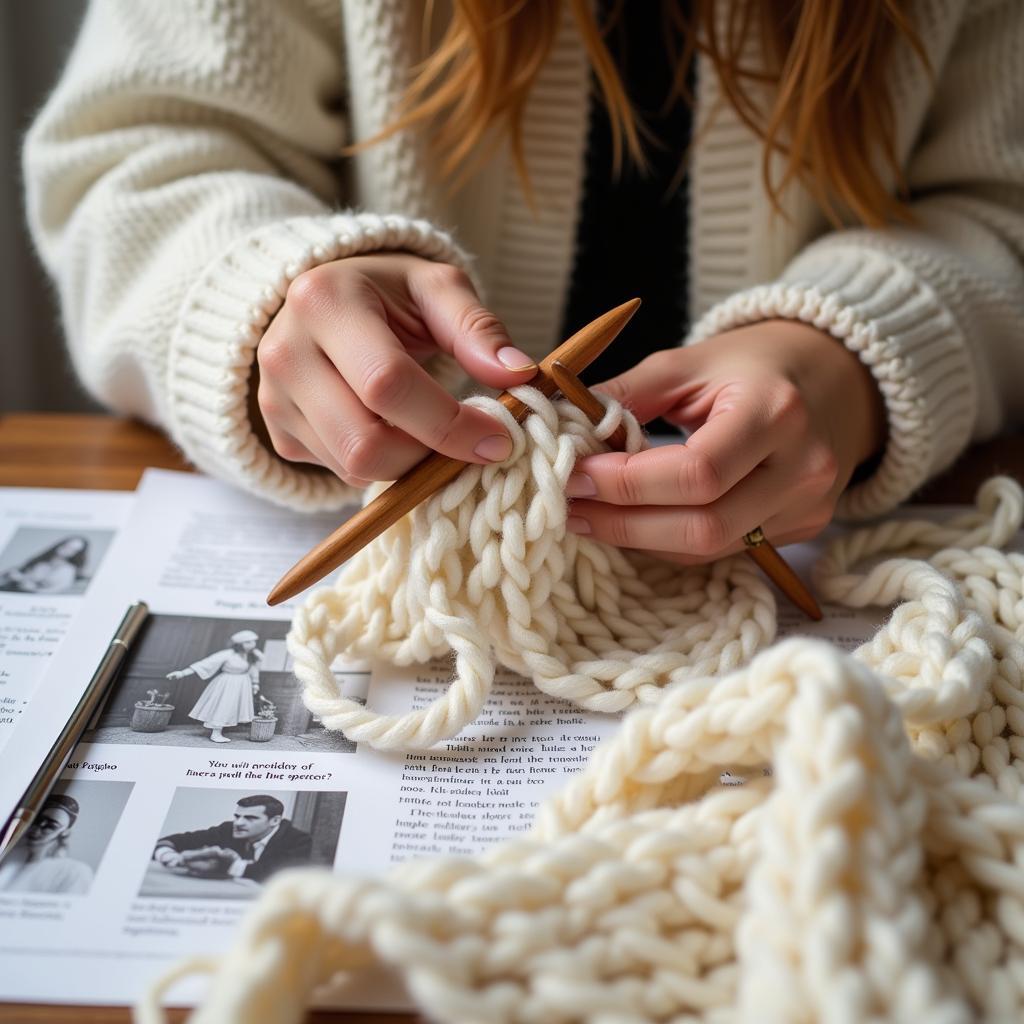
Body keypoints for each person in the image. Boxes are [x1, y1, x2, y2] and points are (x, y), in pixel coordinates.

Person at [21, 2, 1023, 562]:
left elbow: (1000, 200)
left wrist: (850, 356)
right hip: (395, 549)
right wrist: (263, 302)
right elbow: (134, 156)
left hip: (805, 556)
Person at [152, 795, 312, 884]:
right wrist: (168, 856)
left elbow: (279, 877)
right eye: (237, 816)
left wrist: (226, 865)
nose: (239, 823)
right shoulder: (228, 829)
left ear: (275, 821)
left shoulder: (298, 840)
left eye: (249, 818)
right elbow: (177, 840)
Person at [166, 629, 263, 743]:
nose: (252, 645)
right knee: (223, 706)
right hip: (227, 683)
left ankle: (221, 730)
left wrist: (255, 684)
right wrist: (182, 673)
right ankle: (216, 733)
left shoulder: (251, 656)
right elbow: (206, 664)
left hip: (242, 684)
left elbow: (253, 670)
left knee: (233, 707)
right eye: (248, 642)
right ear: (239, 644)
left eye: (253, 642)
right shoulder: (228, 654)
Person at [0, 794, 94, 895]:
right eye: (37, 820)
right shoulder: (7, 857)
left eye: (51, 826)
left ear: (64, 832)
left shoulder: (74, 872)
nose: (37, 829)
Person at [0, 536, 89, 594]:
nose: (67, 549)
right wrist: (13, 575)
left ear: (77, 554)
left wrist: (31, 587)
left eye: (73, 549)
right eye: (66, 545)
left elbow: (54, 591)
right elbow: (24, 574)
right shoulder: (42, 561)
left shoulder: (67, 570)